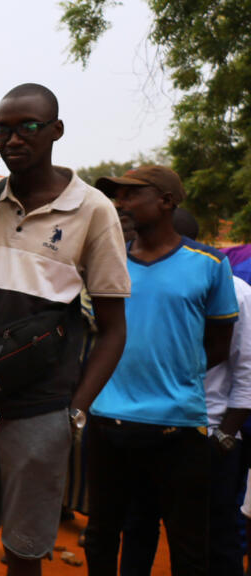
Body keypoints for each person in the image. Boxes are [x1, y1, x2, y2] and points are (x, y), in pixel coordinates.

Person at [0, 83, 130, 576]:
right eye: (1, 129)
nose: (13, 139)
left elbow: (113, 330)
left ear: (56, 130)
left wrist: (75, 412)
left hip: (42, 408)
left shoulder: (92, 210)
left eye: (28, 126)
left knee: (24, 551)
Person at [84, 166, 239, 575]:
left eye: (131, 194)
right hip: (106, 422)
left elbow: (218, 343)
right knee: (101, 536)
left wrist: (173, 373)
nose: (120, 203)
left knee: (188, 546)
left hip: (178, 428)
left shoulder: (210, 263)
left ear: (166, 201)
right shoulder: (107, 260)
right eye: (117, 195)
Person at [116, 206, 251, 576]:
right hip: (144, 427)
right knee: (138, 527)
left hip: (205, 433)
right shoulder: (132, 280)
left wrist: (225, 435)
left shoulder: (236, 291)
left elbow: (245, 370)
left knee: (212, 537)